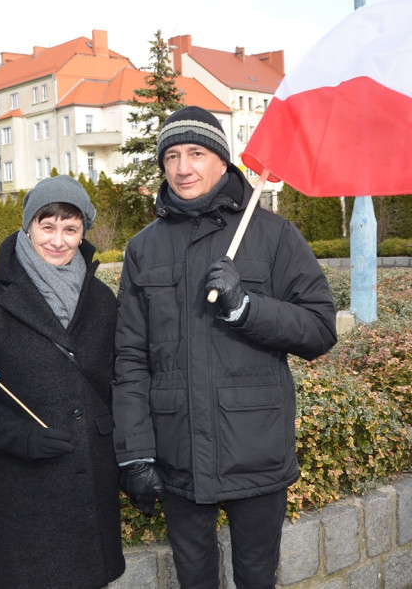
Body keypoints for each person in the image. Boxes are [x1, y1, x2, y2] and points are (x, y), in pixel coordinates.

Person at [112, 106, 338, 588]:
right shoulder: (142, 248)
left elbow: (320, 328)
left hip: (254, 450)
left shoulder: (273, 234)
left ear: (222, 160)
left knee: (257, 579)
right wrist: (135, 453)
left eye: (196, 152)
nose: (182, 167)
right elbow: (130, 360)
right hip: (178, 456)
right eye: (171, 155)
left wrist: (246, 307)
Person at [0, 175, 125, 589]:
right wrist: (19, 437)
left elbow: (121, 381)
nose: (58, 240)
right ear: (28, 227)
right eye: (47, 226)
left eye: (71, 228)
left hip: (91, 471)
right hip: (24, 479)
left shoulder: (101, 299)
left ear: (84, 232)